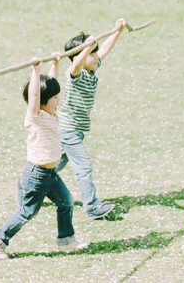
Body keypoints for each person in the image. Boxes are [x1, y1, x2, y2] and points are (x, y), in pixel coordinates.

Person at [0, 55, 88, 259]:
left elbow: (49, 87)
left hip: (50, 174)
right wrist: (36, 71)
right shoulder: (35, 116)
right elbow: (35, 97)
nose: (58, 100)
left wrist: (55, 65)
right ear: (43, 102)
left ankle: (66, 240)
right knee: (28, 212)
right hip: (36, 175)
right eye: (54, 98)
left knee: (66, 201)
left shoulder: (51, 113)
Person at [55, 18, 126, 220]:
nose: (96, 58)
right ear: (82, 56)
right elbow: (76, 63)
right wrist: (87, 47)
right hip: (68, 128)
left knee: (53, 164)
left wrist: (117, 31)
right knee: (83, 165)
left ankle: (30, 184)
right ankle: (92, 207)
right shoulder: (75, 74)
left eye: (94, 54)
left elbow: (105, 50)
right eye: (91, 55)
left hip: (76, 129)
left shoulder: (92, 69)